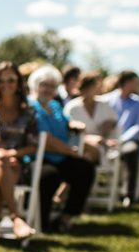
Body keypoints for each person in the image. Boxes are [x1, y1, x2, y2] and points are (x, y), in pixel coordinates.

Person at [28, 65, 96, 232]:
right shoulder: (31, 106)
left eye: (52, 86)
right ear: (35, 85)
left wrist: (74, 124)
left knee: (85, 169)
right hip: (39, 157)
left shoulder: (55, 106)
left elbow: (66, 121)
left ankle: (66, 216)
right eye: (44, 85)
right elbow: (45, 138)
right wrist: (68, 150)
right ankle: (42, 223)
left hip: (61, 156)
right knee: (49, 176)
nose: (48, 89)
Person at [0, 61, 38, 249]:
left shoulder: (27, 111)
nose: (6, 84)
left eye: (11, 80)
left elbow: (33, 146)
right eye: (1, 80)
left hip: (14, 165)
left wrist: (12, 152)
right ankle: (16, 217)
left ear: (19, 82)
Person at [106, 70, 139, 206]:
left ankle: (127, 193)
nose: (138, 86)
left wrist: (122, 139)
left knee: (131, 151)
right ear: (127, 83)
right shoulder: (107, 100)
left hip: (128, 141)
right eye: (136, 83)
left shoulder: (138, 103)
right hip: (107, 141)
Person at [64, 71, 118, 164]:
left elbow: (113, 122)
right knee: (86, 153)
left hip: (102, 146)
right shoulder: (72, 107)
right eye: (96, 85)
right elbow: (67, 129)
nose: (100, 88)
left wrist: (106, 127)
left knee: (88, 155)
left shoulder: (104, 104)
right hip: (77, 146)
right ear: (86, 86)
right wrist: (90, 139)